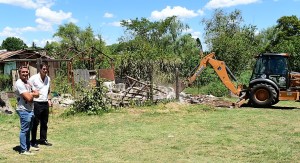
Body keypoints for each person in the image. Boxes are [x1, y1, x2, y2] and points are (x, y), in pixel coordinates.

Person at [15, 66, 40, 155]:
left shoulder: (28, 82)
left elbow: (38, 93)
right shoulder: (19, 83)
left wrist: (31, 94)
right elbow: (29, 98)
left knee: (28, 129)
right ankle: (23, 150)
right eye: (23, 72)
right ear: (19, 73)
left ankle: (27, 147)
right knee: (24, 130)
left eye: (26, 72)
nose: (25, 74)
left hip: (30, 109)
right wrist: (32, 94)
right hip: (23, 109)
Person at [30, 62, 53, 147]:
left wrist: (49, 99)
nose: (45, 70)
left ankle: (43, 139)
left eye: (46, 69)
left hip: (45, 102)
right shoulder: (33, 78)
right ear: (40, 69)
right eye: (44, 69)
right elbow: (28, 87)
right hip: (36, 102)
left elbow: (48, 90)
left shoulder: (48, 78)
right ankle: (33, 141)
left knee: (44, 122)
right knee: (35, 122)